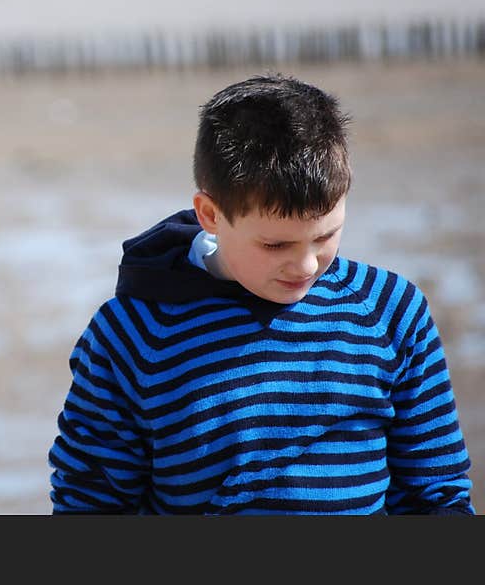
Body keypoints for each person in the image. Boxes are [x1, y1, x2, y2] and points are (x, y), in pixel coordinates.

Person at [47, 74, 474, 514]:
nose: (306, 265)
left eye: (325, 236)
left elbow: (437, 492)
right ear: (211, 214)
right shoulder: (133, 333)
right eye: (276, 245)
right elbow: (89, 503)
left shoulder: (389, 312)